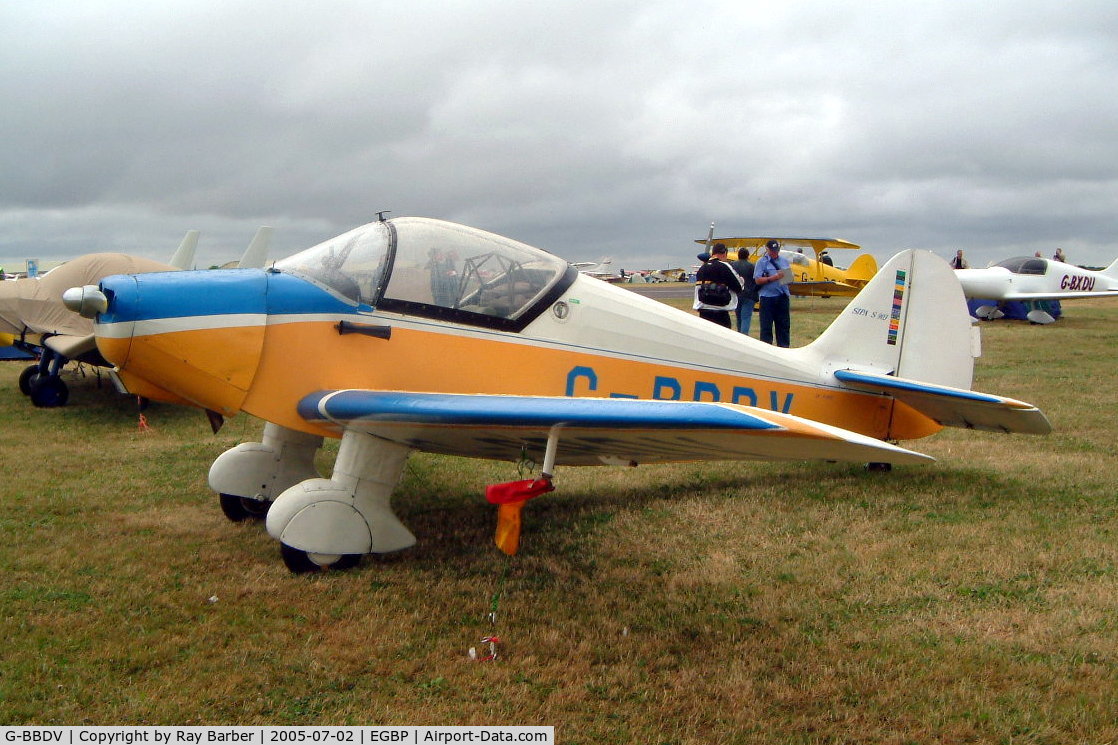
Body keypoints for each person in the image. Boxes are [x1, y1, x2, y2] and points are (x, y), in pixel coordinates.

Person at [693, 243, 743, 328]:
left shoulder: (702, 268)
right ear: (724, 253)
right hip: (720, 312)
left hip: (703, 311)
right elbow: (739, 287)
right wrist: (742, 280)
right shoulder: (725, 266)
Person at [754, 239, 792, 347]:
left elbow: (789, 280)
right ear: (767, 249)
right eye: (772, 250)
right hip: (767, 298)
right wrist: (774, 278)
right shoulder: (761, 262)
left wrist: (787, 278)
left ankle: (784, 348)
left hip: (782, 297)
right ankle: (767, 349)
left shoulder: (784, 261)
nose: (775, 253)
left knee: (783, 326)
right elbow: (757, 280)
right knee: (766, 327)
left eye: (776, 250)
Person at [729, 247, 756, 335]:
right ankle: (744, 335)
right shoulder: (752, 266)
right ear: (747, 256)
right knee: (746, 317)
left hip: (736, 294)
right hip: (749, 295)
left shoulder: (732, 265)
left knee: (739, 317)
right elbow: (756, 281)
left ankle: (739, 334)